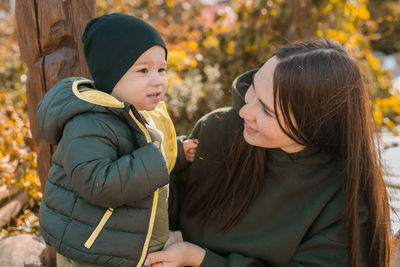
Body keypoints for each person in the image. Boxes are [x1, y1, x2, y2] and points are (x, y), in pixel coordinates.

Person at [145, 39, 392, 267]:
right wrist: (152, 164)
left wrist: (199, 259)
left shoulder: (344, 196)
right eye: (252, 90)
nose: (244, 112)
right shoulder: (218, 129)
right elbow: (165, 209)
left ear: (315, 125)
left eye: (266, 110)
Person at [36, 13, 196, 266]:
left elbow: (142, 154)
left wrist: (175, 150)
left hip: (121, 243)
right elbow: (96, 181)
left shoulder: (137, 112)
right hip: (91, 249)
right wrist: (152, 161)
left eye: (161, 69)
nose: (158, 80)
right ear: (112, 75)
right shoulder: (89, 122)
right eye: (143, 70)